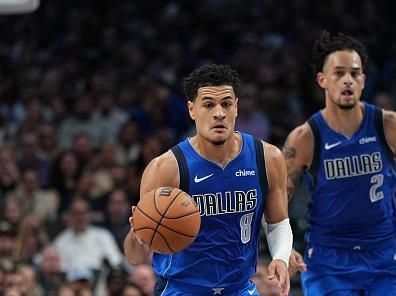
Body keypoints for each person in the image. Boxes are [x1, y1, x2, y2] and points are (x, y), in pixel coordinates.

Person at [124, 64, 292, 296]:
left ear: (237, 108)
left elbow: (277, 224)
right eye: (209, 104)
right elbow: (134, 258)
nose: (219, 113)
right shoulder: (165, 168)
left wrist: (281, 258)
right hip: (181, 289)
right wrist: (140, 234)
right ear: (192, 110)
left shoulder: (268, 158)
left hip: (240, 288)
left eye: (226, 104)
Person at [283, 31, 396, 295]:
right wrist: (282, 246)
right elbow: (276, 196)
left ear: (363, 80)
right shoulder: (305, 138)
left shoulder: (388, 126)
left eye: (355, 73)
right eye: (339, 73)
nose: (348, 80)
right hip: (328, 260)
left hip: (385, 255)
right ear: (322, 80)